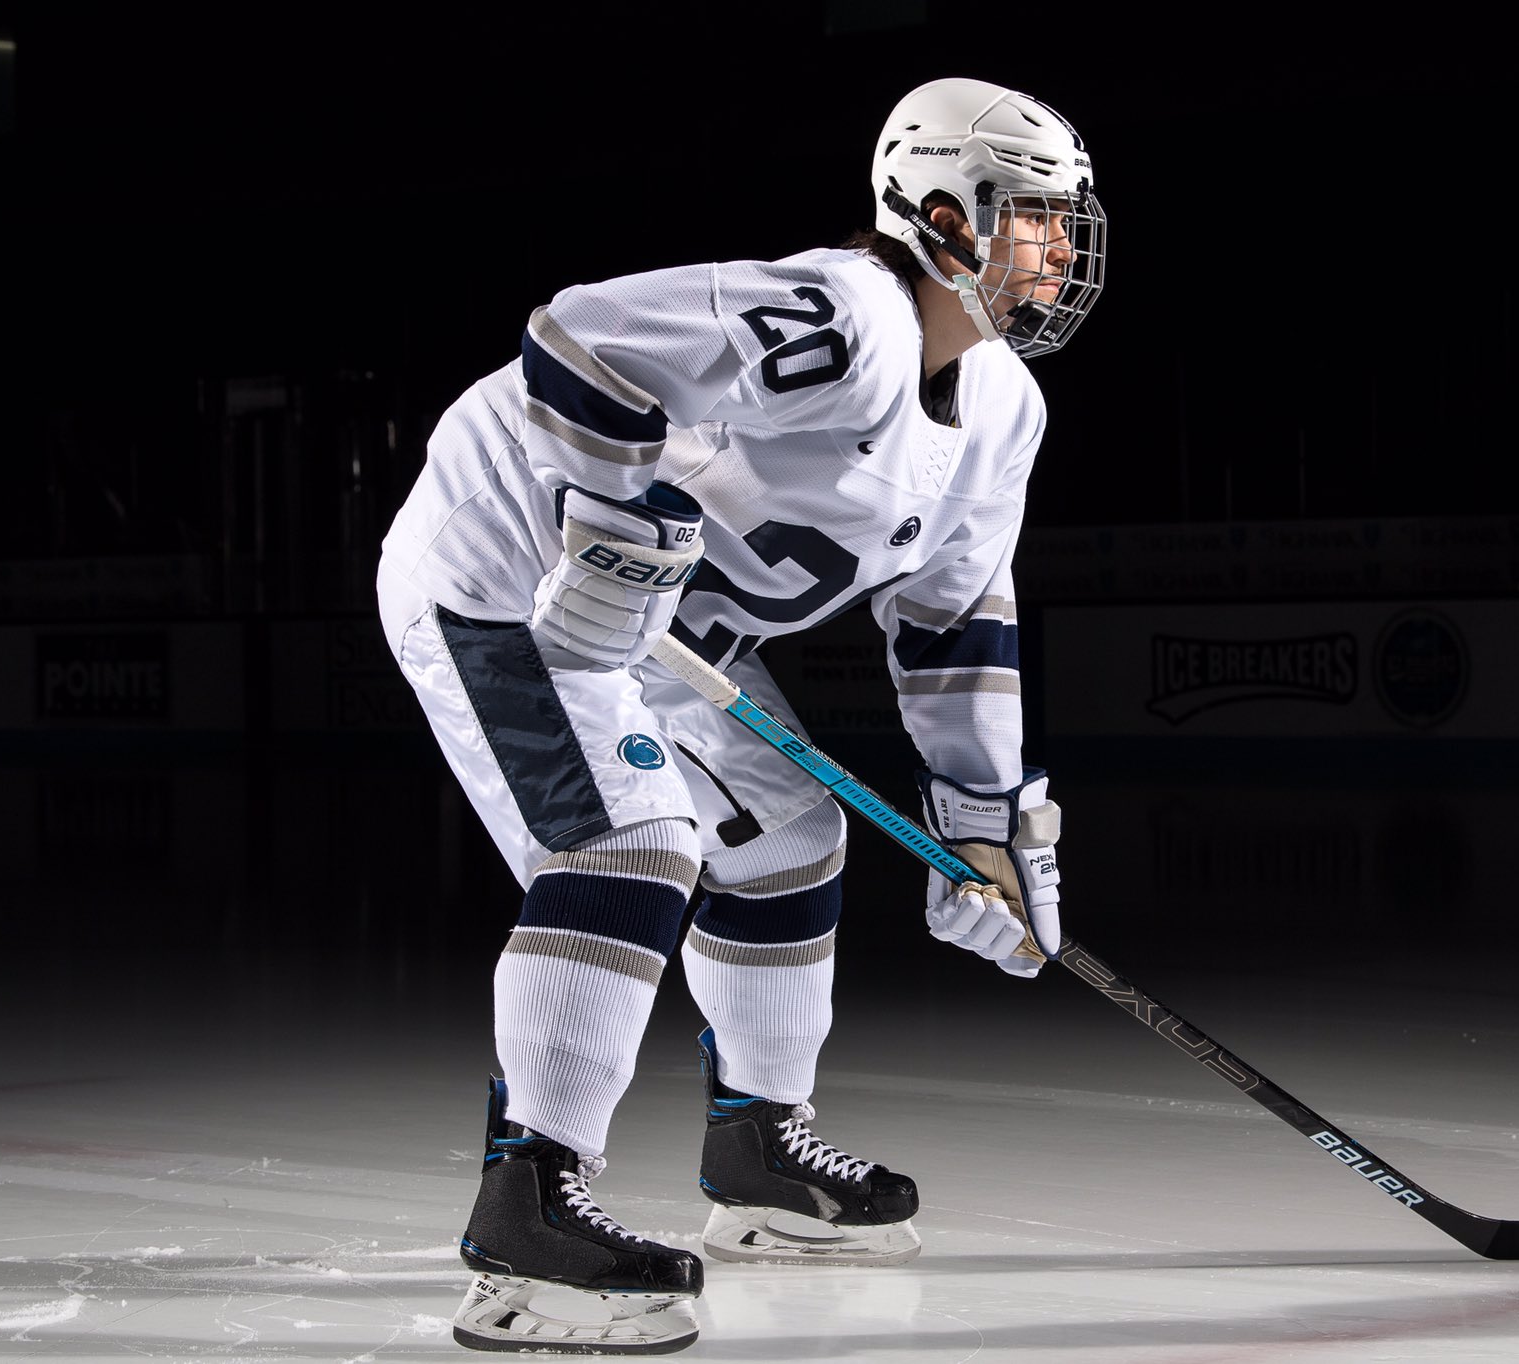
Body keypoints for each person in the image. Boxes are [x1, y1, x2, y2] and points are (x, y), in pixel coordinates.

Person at [375, 75, 1106, 1355]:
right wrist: (613, 520)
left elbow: (951, 626)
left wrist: (985, 823)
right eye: (1032, 214)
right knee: (628, 842)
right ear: (942, 214)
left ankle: (757, 1149)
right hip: (501, 572)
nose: (1060, 244)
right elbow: (582, 339)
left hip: (657, 633)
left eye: (1065, 217)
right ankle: (523, 1211)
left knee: (784, 833)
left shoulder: (1002, 411)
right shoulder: (846, 314)